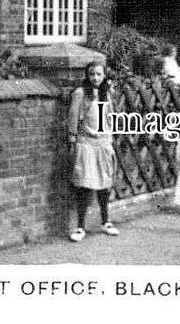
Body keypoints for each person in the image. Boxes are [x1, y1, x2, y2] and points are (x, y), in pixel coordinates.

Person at [67, 61, 119, 242]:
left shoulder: (107, 94)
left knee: (104, 185)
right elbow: (73, 118)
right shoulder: (80, 93)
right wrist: (72, 140)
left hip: (103, 143)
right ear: (87, 76)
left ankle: (106, 222)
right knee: (84, 185)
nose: (95, 78)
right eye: (92, 74)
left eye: (99, 74)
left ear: (104, 75)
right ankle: (80, 227)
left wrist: (111, 139)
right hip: (86, 144)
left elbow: (111, 117)